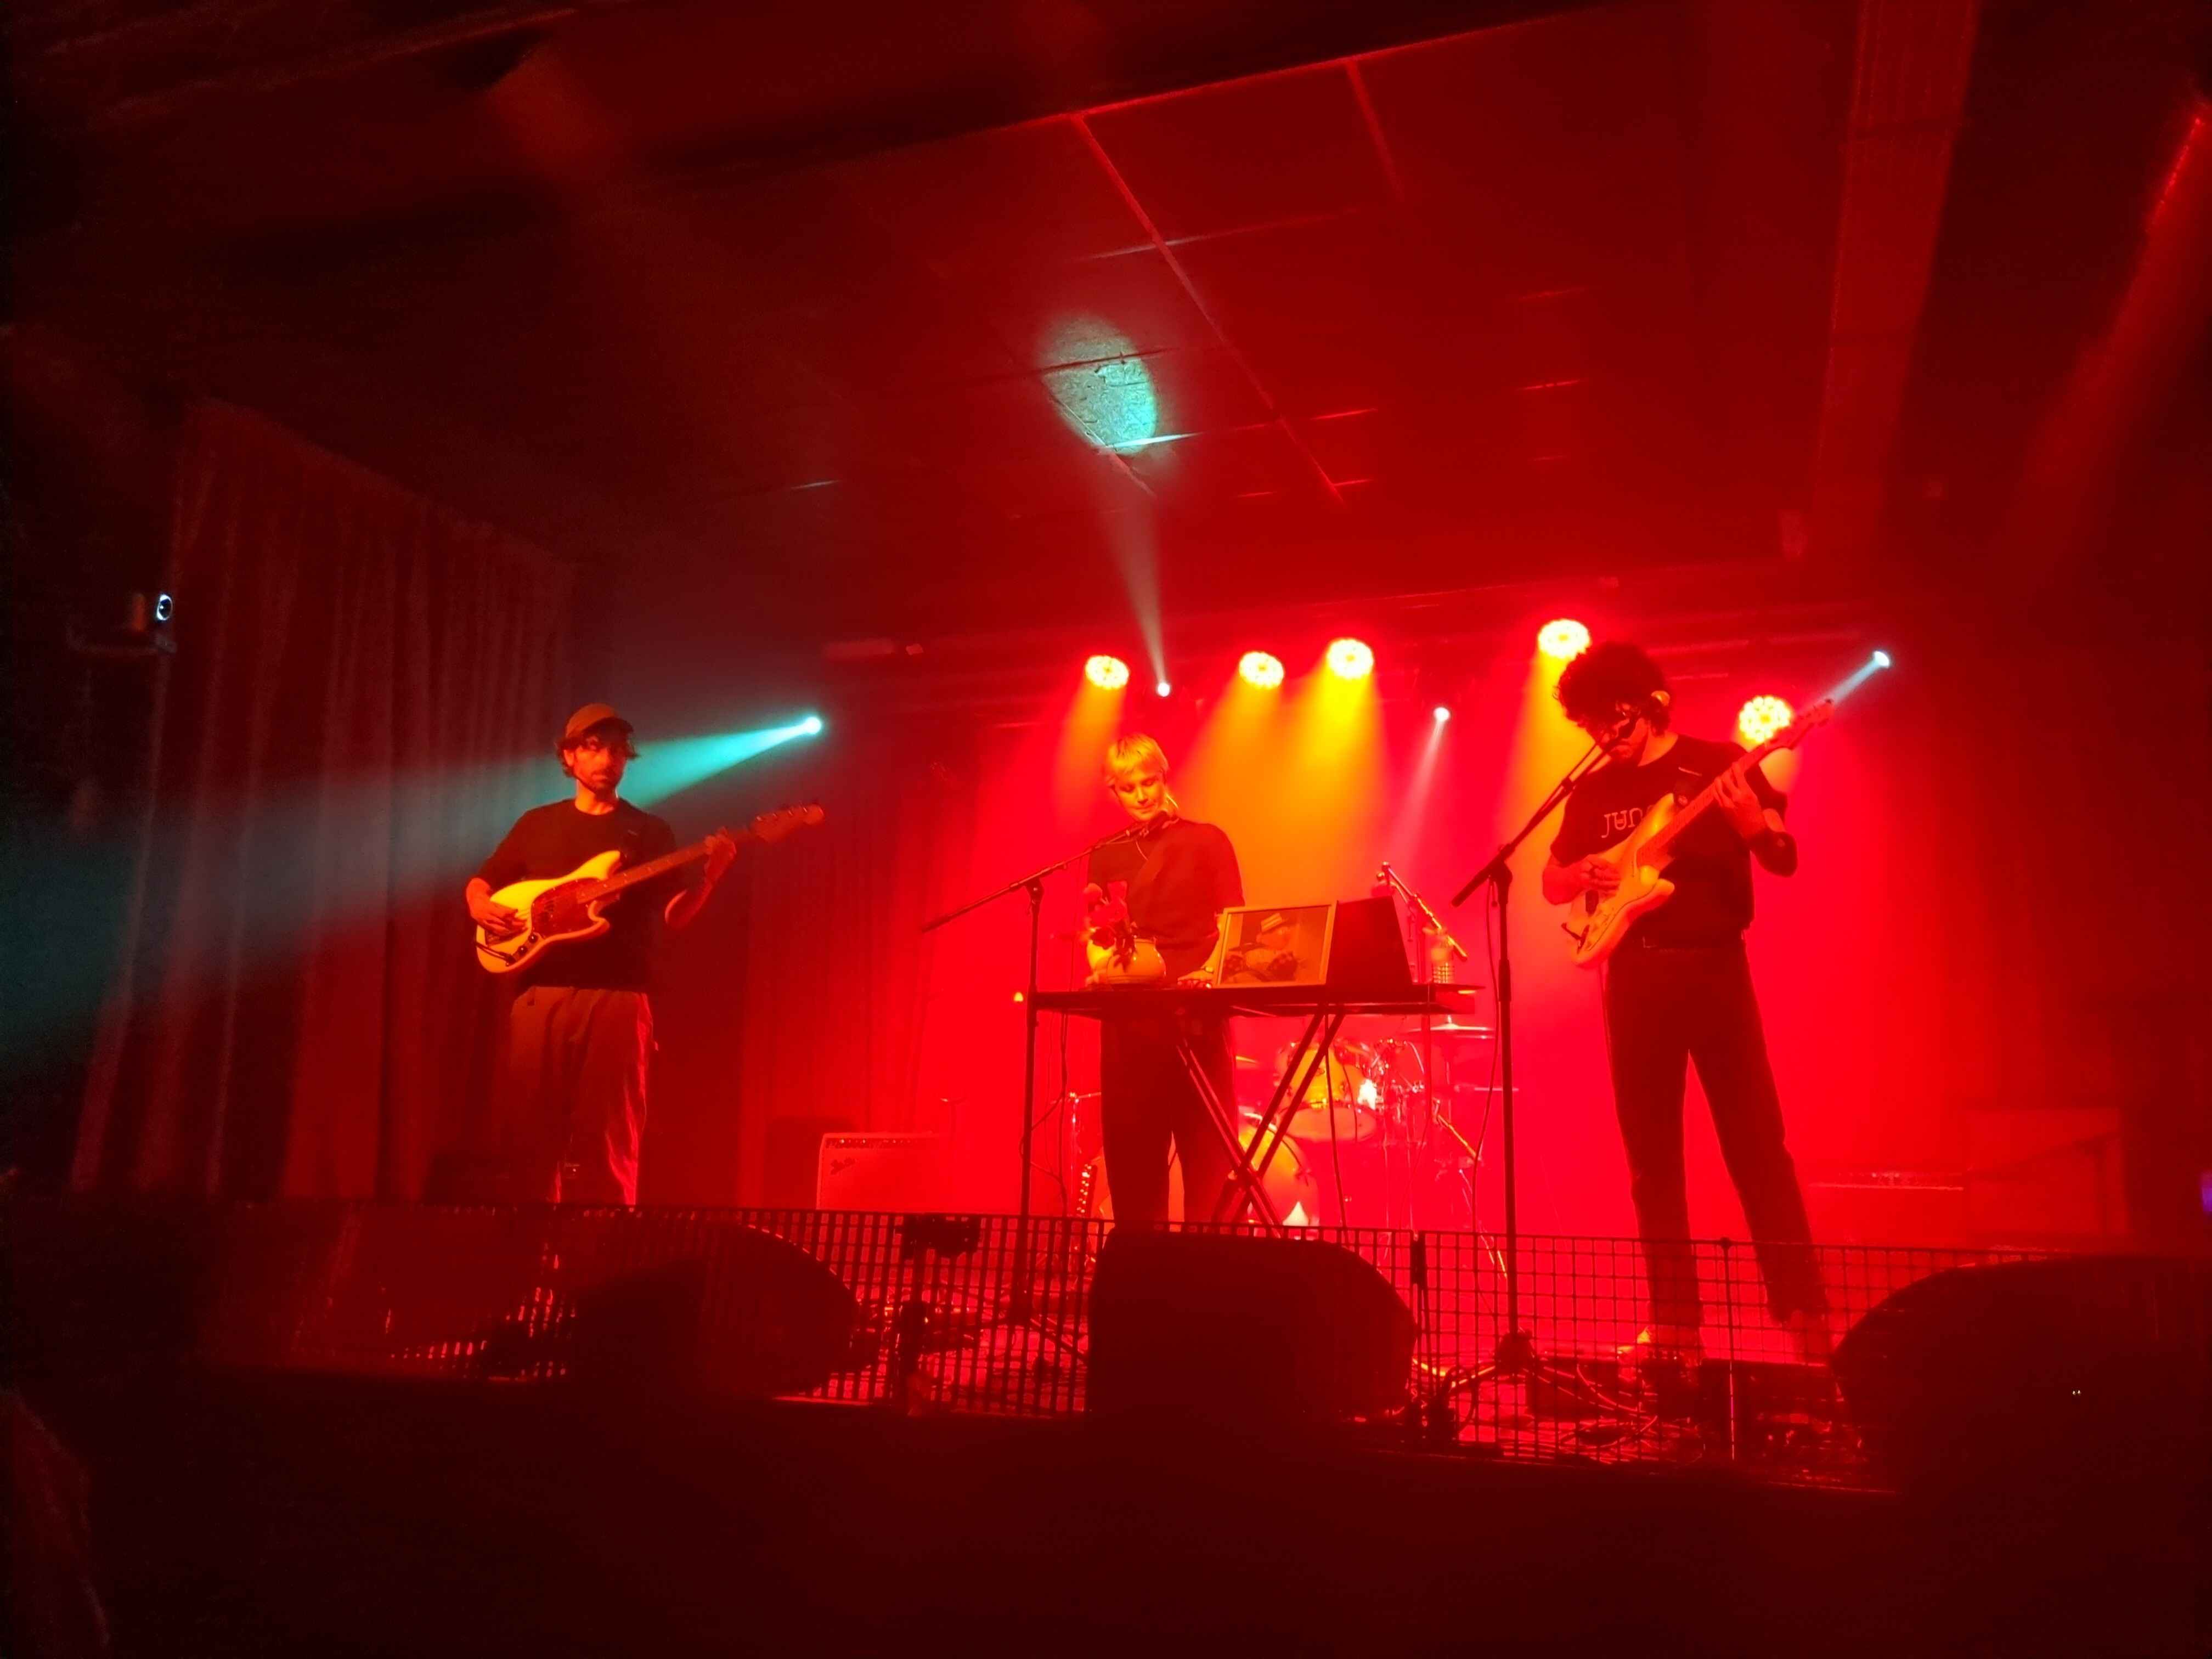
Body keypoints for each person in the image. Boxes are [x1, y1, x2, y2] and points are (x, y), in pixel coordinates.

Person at [1540, 643, 1828, 1361]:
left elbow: (1785, 854)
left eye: (1613, 717)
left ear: (1647, 703)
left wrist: (1754, 829)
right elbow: (1551, 880)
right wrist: (1582, 871)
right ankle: (1674, 1321)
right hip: (1633, 975)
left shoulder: (1718, 761)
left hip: (1713, 968)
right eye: (1591, 727)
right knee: (1650, 1158)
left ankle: (1803, 1312)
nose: (1605, 734)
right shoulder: (1594, 792)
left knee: (1756, 1142)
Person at [465, 703, 736, 1205]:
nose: (607, 759)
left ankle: (605, 1266)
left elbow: (675, 917)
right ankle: (529, 1273)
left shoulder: (649, 833)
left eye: (616, 749)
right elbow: (484, 880)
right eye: (593, 747)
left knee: (610, 1140)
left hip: (620, 996)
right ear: (569, 756)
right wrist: (479, 904)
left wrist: (711, 878)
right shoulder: (537, 824)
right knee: (529, 1140)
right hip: (540, 994)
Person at [1085, 735, 1243, 1227]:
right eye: (1127, 787)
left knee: (1208, 1153)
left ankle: (1212, 1268)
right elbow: (1098, 932)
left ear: (1164, 776)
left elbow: (1236, 921)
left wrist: (1209, 972)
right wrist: (1100, 969)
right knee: (1133, 1152)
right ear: (1114, 792)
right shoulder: (1105, 853)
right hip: (1131, 1017)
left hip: (1195, 1007)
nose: (1141, 795)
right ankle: (1142, 1268)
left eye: (1148, 782)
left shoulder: (1207, 839)